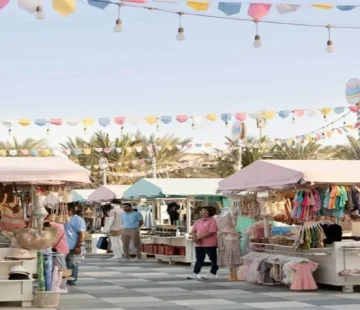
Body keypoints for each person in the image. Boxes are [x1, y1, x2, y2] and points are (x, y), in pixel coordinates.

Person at [188, 206, 219, 280]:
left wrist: (199, 237)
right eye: (201, 211)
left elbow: (212, 232)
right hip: (199, 244)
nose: (202, 213)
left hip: (210, 243)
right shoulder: (199, 221)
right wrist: (195, 237)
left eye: (205, 212)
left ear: (210, 213)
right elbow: (193, 230)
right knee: (199, 259)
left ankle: (213, 273)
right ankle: (196, 273)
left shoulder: (213, 221)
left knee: (213, 259)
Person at [44, 207, 69, 293]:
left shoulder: (50, 224)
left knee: (61, 268)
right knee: (61, 268)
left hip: (58, 249)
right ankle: (61, 285)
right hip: (62, 248)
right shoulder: (59, 224)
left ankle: (62, 286)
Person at [64, 205, 86, 287]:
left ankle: (72, 280)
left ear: (70, 211)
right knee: (65, 263)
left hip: (72, 245)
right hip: (63, 245)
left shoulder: (78, 220)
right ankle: (66, 279)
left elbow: (82, 233)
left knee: (72, 263)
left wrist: (78, 245)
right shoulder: (63, 219)